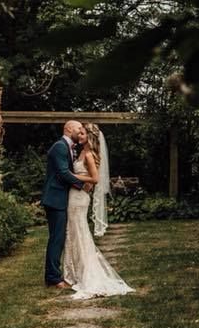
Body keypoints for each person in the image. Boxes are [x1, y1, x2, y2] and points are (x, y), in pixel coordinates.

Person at [61, 122, 135, 300]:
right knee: (73, 233)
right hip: (74, 196)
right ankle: (74, 272)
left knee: (79, 232)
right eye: (79, 133)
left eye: (82, 133)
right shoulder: (82, 152)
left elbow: (94, 179)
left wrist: (70, 176)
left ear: (90, 137)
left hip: (79, 198)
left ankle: (85, 274)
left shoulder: (89, 155)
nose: (79, 135)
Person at [41, 120, 92, 288]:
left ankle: (54, 275)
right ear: (69, 129)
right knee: (57, 238)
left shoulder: (68, 147)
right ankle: (53, 278)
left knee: (59, 237)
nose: (80, 131)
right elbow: (63, 173)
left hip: (60, 198)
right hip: (55, 199)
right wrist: (82, 185)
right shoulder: (60, 146)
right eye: (79, 129)